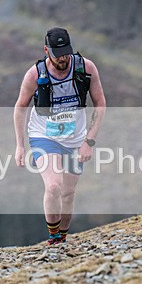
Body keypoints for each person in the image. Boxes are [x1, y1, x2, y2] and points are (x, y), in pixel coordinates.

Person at [14, 27, 106, 244]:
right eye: (58, 54)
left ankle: (62, 238)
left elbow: (100, 104)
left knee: (68, 193)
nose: (63, 58)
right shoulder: (35, 74)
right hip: (43, 136)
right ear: (47, 51)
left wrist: (89, 141)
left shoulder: (86, 67)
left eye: (66, 52)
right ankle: (53, 237)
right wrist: (20, 145)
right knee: (54, 185)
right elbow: (20, 107)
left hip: (75, 139)